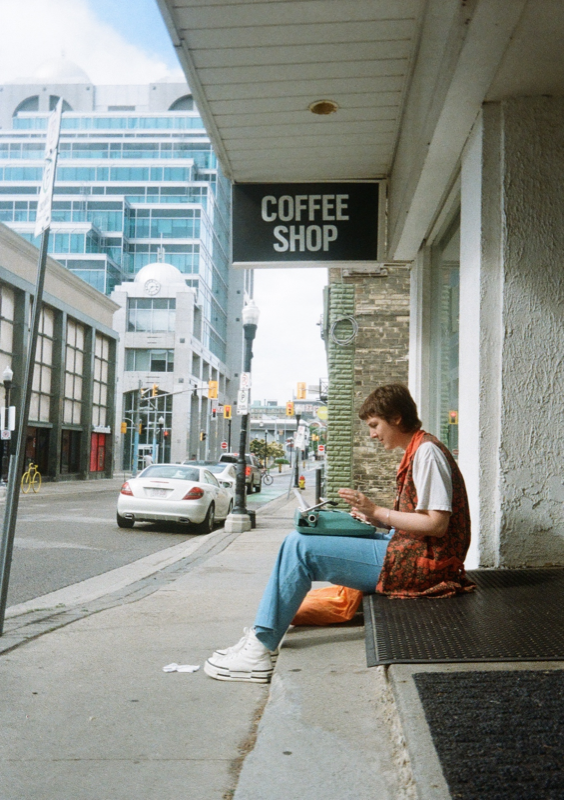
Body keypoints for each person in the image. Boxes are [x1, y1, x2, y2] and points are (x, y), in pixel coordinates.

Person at [204, 383, 474, 684]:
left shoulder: (427, 454)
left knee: (300, 547)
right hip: (413, 552)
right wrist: (376, 520)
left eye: (375, 425)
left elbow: (437, 524)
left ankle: (259, 650)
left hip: (426, 566)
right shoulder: (419, 450)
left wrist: (377, 512)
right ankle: (259, 634)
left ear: (396, 418)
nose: (372, 434)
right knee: (304, 537)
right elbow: (420, 521)